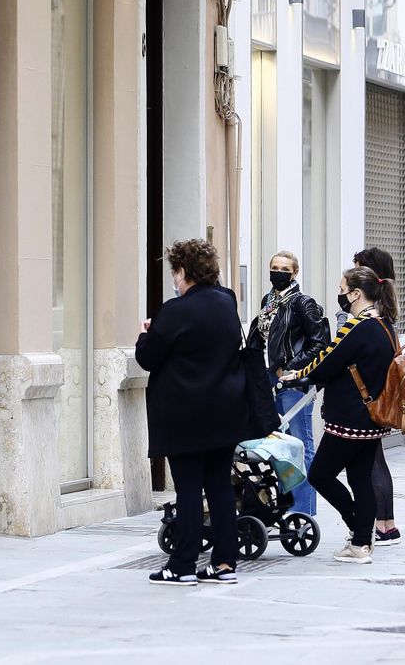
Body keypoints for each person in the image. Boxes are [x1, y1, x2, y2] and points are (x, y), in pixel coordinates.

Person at [136, 239, 250, 585]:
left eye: (175, 271)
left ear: (182, 272)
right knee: (219, 486)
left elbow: (148, 358)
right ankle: (225, 562)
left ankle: (182, 563)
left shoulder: (175, 311)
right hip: (226, 410)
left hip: (184, 414)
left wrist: (145, 334)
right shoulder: (227, 302)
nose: (174, 278)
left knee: (187, 488)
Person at [280, 266, 397, 564]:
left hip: (349, 418)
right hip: (372, 417)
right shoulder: (385, 325)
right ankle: (361, 544)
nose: (341, 296)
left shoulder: (357, 327)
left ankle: (358, 527)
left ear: (356, 294)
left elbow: (326, 361)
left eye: (343, 290)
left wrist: (296, 376)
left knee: (320, 473)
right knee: (360, 478)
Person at [244, 251, 329, 516]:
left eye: (284, 268)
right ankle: (285, 503)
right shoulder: (268, 302)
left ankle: (304, 511)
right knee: (278, 443)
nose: (278, 272)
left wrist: (291, 368)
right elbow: (261, 339)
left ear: (295, 273)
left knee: (300, 443)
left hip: (293, 383)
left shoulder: (303, 303)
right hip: (269, 381)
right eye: (274, 267)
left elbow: (320, 343)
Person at [336, 247, 404, 546]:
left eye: (357, 267)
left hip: (364, 395)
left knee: (369, 463)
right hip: (381, 392)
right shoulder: (387, 308)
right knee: (376, 459)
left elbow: (341, 350)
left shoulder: (364, 314)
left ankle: (381, 524)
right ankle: (386, 523)